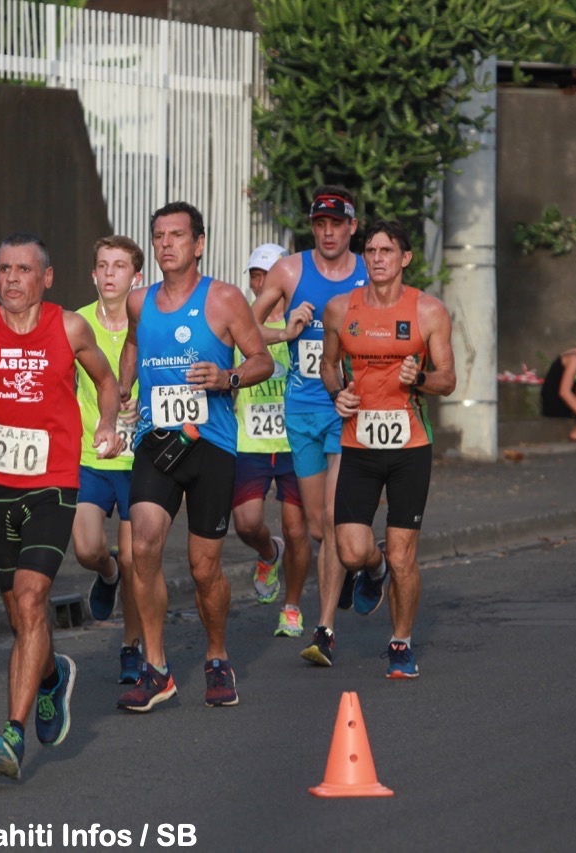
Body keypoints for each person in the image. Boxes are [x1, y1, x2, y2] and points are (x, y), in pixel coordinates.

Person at [0, 233, 123, 779]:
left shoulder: (69, 327)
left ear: (47, 277)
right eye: (5, 270)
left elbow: (106, 382)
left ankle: (12, 733)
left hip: (53, 481)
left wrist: (107, 422)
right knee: (19, 612)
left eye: (24, 270)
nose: (12, 279)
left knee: (33, 598)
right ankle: (51, 676)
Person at [115, 202, 273, 712]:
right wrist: (124, 385)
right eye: (159, 235)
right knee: (142, 543)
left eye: (177, 235)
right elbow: (133, 346)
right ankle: (157, 667)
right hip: (156, 441)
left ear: (198, 244)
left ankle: (217, 654)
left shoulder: (225, 300)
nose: (166, 244)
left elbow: (262, 361)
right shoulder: (139, 302)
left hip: (211, 445)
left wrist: (226, 378)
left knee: (204, 568)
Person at [319, 219, 456, 679]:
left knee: (404, 555)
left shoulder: (430, 311)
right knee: (351, 551)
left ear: (405, 258)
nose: (377, 258)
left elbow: (448, 380)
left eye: (386, 251)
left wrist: (418, 378)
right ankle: (372, 571)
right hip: (358, 440)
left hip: (409, 446)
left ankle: (401, 641)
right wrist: (338, 392)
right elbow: (328, 364)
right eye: (371, 251)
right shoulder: (341, 308)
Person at [251, 186, 368, 668]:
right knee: (321, 527)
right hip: (301, 408)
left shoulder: (369, 270)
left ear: (351, 227)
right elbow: (245, 326)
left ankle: (324, 630)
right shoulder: (289, 270)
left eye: (336, 224)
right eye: (320, 224)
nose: (327, 232)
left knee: (338, 523)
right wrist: (287, 332)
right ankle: (366, 566)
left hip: (348, 408)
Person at [72, 236, 145, 683]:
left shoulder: (150, 321)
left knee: (140, 559)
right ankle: (107, 571)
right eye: (104, 265)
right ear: (94, 274)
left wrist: (145, 408)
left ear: (136, 277)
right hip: (89, 454)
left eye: (120, 266)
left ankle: (131, 646)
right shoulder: (75, 324)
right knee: (86, 548)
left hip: (140, 459)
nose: (111, 273)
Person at [232, 243, 312, 639]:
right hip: (251, 442)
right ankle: (268, 553)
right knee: (246, 524)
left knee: (298, 529)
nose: (261, 282)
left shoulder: (306, 317)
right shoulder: (240, 324)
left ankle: (292, 606)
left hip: (296, 440)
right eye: (255, 275)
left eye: (268, 274)